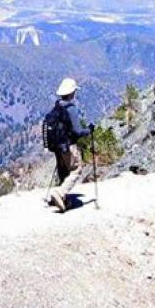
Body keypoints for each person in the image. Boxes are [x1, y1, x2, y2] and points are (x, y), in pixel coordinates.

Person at [44, 77, 92, 212]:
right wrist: (88, 130)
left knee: (63, 172)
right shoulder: (71, 109)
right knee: (76, 169)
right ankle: (60, 193)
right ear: (72, 93)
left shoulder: (57, 107)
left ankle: (62, 199)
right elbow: (77, 131)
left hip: (57, 146)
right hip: (68, 145)